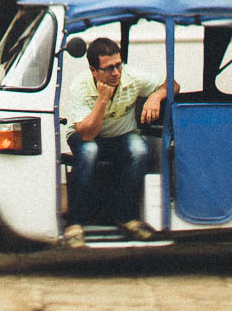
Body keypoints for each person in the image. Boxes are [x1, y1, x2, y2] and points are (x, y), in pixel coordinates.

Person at [61, 37, 176, 245]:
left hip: (120, 136)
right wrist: (103, 99)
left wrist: (156, 96)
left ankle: (126, 216)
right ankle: (74, 223)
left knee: (140, 150)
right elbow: (86, 134)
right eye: (108, 68)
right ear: (93, 70)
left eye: (118, 65)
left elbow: (173, 85)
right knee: (89, 151)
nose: (115, 73)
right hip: (87, 135)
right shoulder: (80, 85)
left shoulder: (132, 76)